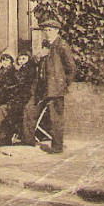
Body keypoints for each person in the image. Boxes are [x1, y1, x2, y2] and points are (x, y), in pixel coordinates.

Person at [36, 19, 77, 154]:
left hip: (55, 88)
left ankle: (57, 147)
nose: (47, 33)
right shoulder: (46, 45)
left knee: (56, 118)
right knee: (30, 110)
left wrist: (63, 84)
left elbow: (71, 68)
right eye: (45, 30)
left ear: (57, 31)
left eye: (50, 30)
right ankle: (28, 140)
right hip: (44, 86)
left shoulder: (62, 45)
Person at [0, 53, 21, 144]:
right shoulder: (0, 71)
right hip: (0, 97)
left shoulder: (13, 72)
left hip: (9, 98)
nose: (5, 62)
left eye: (7, 60)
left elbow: (15, 87)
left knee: (0, 110)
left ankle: (0, 136)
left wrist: (4, 87)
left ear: (11, 62)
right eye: (3, 60)